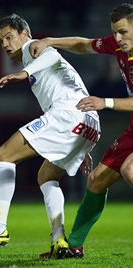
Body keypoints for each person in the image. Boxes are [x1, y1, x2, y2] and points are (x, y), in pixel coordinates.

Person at [0, 13, 100, 258]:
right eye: (0, 41)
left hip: (69, 115)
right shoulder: (32, 58)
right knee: (46, 175)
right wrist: (82, 145)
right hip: (88, 122)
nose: (5, 44)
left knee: (3, 154)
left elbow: (49, 54)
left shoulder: (33, 48)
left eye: (8, 37)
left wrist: (23, 74)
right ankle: (59, 243)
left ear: (25, 34)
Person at [29, 2, 133, 258]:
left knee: (130, 169)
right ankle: (73, 246)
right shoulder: (119, 46)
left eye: (123, 32)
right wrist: (50, 41)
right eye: (115, 32)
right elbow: (84, 44)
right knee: (97, 181)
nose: (117, 38)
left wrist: (104, 102)